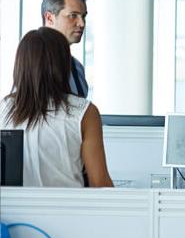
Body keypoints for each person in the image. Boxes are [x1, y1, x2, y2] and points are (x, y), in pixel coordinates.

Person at [0, 28, 112, 187]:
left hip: (15, 210)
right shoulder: (83, 112)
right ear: (64, 64)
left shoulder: (4, 108)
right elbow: (100, 183)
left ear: (20, 65)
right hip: (67, 210)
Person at [41, 0, 89, 98]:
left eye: (83, 16)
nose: (81, 23)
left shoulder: (77, 68)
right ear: (49, 18)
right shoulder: (31, 62)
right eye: (73, 15)